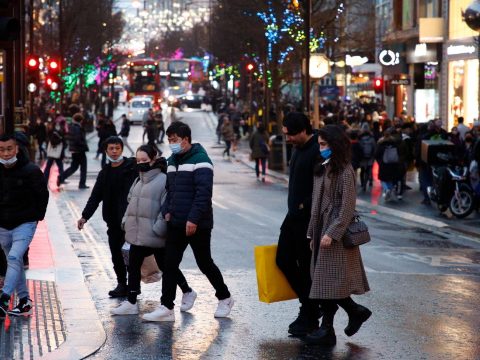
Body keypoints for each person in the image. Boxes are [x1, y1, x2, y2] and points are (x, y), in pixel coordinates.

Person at [142, 121, 233, 322]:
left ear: (186, 139)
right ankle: (167, 307)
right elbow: (170, 191)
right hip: (175, 222)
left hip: (197, 224)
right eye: (169, 140)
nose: (172, 143)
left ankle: (225, 297)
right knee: (170, 263)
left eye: (175, 140)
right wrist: (167, 211)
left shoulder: (201, 160)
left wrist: (193, 219)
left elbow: (203, 194)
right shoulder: (173, 160)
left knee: (204, 262)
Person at [304, 124, 371, 346]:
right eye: (319, 144)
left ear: (335, 144)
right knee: (326, 282)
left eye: (323, 144)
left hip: (336, 234)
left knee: (327, 282)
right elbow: (316, 205)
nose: (320, 148)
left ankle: (339, 322)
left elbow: (347, 207)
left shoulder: (344, 170)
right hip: (322, 229)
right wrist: (313, 233)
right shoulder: (324, 167)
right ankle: (342, 320)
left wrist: (332, 233)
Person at [111, 145, 196, 315]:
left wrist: (158, 228)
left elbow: (167, 205)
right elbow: (131, 204)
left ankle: (187, 291)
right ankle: (132, 301)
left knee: (167, 266)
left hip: (155, 234)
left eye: (144, 160)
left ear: (153, 159)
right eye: (138, 160)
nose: (141, 163)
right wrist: (125, 221)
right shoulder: (138, 180)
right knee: (133, 265)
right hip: (137, 233)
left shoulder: (164, 180)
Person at [276, 112, 321, 337]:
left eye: (291, 134)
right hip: (292, 216)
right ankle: (309, 305)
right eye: (285, 134)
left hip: (307, 219)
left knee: (305, 267)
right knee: (282, 259)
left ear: (304, 130)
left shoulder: (317, 150)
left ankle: (310, 312)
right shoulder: (297, 149)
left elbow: (321, 187)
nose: (288, 138)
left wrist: (305, 206)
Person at [77, 137, 138, 298]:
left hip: (131, 221)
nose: (114, 151)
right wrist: (84, 216)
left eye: (117, 148)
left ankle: (133, 286)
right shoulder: (105, 173)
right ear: (106, 151)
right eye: (111, 149)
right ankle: (121, 284)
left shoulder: (132, 168)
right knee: (116, 255)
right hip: (112, 222)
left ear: (122, 149)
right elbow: (95, 196)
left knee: (131, 255)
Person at [0, 134, 49, 317]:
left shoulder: (31, 170)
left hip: (25, 223)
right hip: (3, 225)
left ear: (17, 149)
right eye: (2, 149)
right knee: (15, 261)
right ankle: (24, 301)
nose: (5, 153)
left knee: (13, 258)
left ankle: (4, 298)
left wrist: (36, 217)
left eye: (9, 149)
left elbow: (42, 195)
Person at [58, 113, 89, 189]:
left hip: (74, 150)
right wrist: (84, 145)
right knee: (83, 168)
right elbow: (77, 140)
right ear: (80, 120)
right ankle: (82, 184)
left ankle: (61, 177)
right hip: (79, 150)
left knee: (74, 167)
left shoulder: (71, 127)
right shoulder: (77, 128)